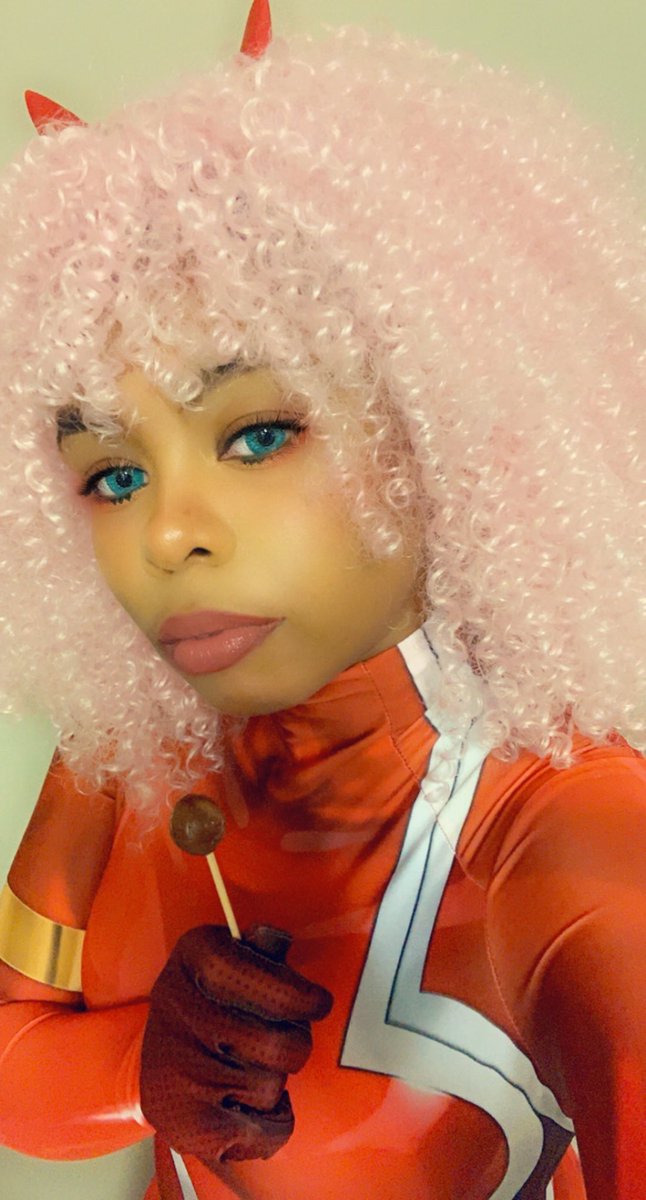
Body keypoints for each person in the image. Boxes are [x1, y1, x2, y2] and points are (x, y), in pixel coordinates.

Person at [0, 2, 645, 1196]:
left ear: (438, 426)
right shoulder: (124, 755)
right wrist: (138, 1067)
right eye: (115, 475)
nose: (169, 534)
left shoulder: (567, 830)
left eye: (258, 433)